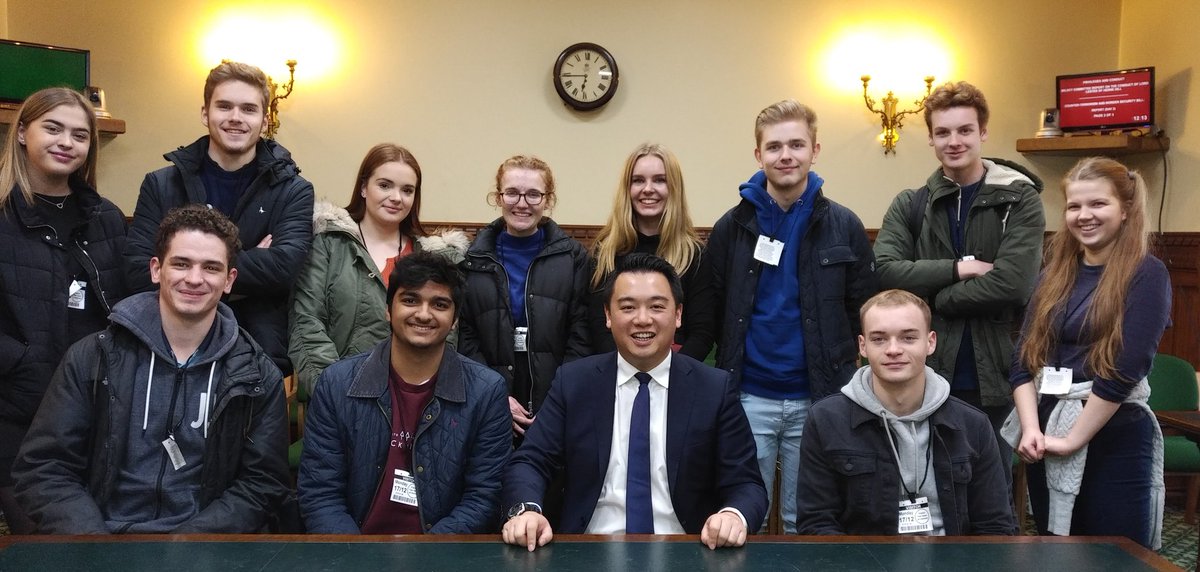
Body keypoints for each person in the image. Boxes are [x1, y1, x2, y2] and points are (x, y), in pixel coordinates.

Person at [13, 205, 290, 533]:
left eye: (211, 267)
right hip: (99, 539)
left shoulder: (256, 375)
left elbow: (262, 485)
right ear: (157, 269)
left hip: (204, 547)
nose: (194, 278)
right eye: (181, 264)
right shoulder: (93, 357)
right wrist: (92, 545)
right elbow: (45, 468)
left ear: (229, 280)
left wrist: (187, 546)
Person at [501, 253, 766, 551]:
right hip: (588, 548)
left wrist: (733, 515)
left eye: (657, 306)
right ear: (608, 316)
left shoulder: (713, 389)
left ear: (678, 315)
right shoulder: (575, 382)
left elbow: (747, 484)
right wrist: (526, 511)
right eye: (628, 307)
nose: (642, 319)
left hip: (687, 550)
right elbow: (530, 461)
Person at [706, 99, 878, 533]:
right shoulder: (731, 227)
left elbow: (864, 307)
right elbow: (714, 308)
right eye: (775, 146)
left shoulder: (844, 225)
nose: (786, 155)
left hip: (821, 398)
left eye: (797, 144)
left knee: (808, 518)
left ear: (815, 150)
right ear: (758, 154)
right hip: (749, 396)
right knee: (746, 517)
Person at [873, 81, 1045, 466]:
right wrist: (960, 268)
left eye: (965, 130)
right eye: (943, 132)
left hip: (999, 377)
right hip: (925, 375)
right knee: (920, 488)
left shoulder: (1020, 198)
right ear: (931, 139)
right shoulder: (910, 204)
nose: (954, 141)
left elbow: (1015, 285)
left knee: (989, 495)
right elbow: (885, 271)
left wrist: (937, 299)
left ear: (983, 132)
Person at [1004, 157, 1171, 549]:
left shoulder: (1147, 273)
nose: (1084, 215)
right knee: (1057, 548)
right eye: (1074, 206)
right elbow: (1023, 361)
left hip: (1115, 435)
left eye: (1098, 204)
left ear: (1126, 209)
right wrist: (1032, 429)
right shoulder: (1054, 272)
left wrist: (1073, 439)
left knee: (1113, 554)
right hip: (1049, 430)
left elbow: (1125, 369)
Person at [298, 251, 510, 534]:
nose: (423, 314)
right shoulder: (337, 384)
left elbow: (483, 499)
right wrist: (355, 557)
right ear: (388, 310)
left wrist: (426, 557)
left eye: (439, 304)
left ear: (455, 318)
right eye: (410, 300)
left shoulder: (487, 391)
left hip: (441, 557)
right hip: (354, 553)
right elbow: (320, 494)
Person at [124, 61, 315, 375]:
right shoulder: (161, 185)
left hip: (257, 351)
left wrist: (185, 270)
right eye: (224, 106)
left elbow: (283, 269)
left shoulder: (293, 190)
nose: (236, 118)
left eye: (248, 109)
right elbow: (136, 271)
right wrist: (248, 264)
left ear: (265, 120)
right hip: (165, 348)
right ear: (205, 114)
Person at [0, 87, 128, 534]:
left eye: (79, 135)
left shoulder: (106, 217)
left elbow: (128, 301)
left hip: (95, 405)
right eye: (52, 128)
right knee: (42, 541)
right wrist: (20, 364)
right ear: (22, 134)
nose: (66, 143)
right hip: (16, 410)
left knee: (94, 532)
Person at [796, 289, 1015, 536]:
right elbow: (816, 525)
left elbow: (995, 528)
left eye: (908, 338)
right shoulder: (826, 420)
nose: (893, 349)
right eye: (879, 339)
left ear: (930, 342)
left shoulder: (973, 424)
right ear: (862, 346)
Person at [289, 143, 468, 398]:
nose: (396, 197)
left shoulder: (432, 257)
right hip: (340, 395)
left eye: (407, 190)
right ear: (363, 187)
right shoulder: (328, 245)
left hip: (415, 402)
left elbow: (446, 336)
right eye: (385, 185)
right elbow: (306, 322)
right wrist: (334, 394)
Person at [457, 155, 590, 439]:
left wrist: (558, 401)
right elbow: (465, 337)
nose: (522, 203)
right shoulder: (471, 259)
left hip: (556, 403)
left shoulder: (573, 257)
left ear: (548, 200)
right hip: (487, 401)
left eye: (533, 194)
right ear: (498, 197)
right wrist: (495, 396)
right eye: (513, 193)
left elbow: (581, 335)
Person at [588, 143, 715, 361]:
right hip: (616, 376)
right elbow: (597, 327)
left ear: (674, 188)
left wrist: (668, 377)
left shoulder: (695, 255)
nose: (648, 189)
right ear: (627, 189)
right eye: (638, 180)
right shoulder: (605, 253)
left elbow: (702, 333)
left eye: (659, 180)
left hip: (677, 375)